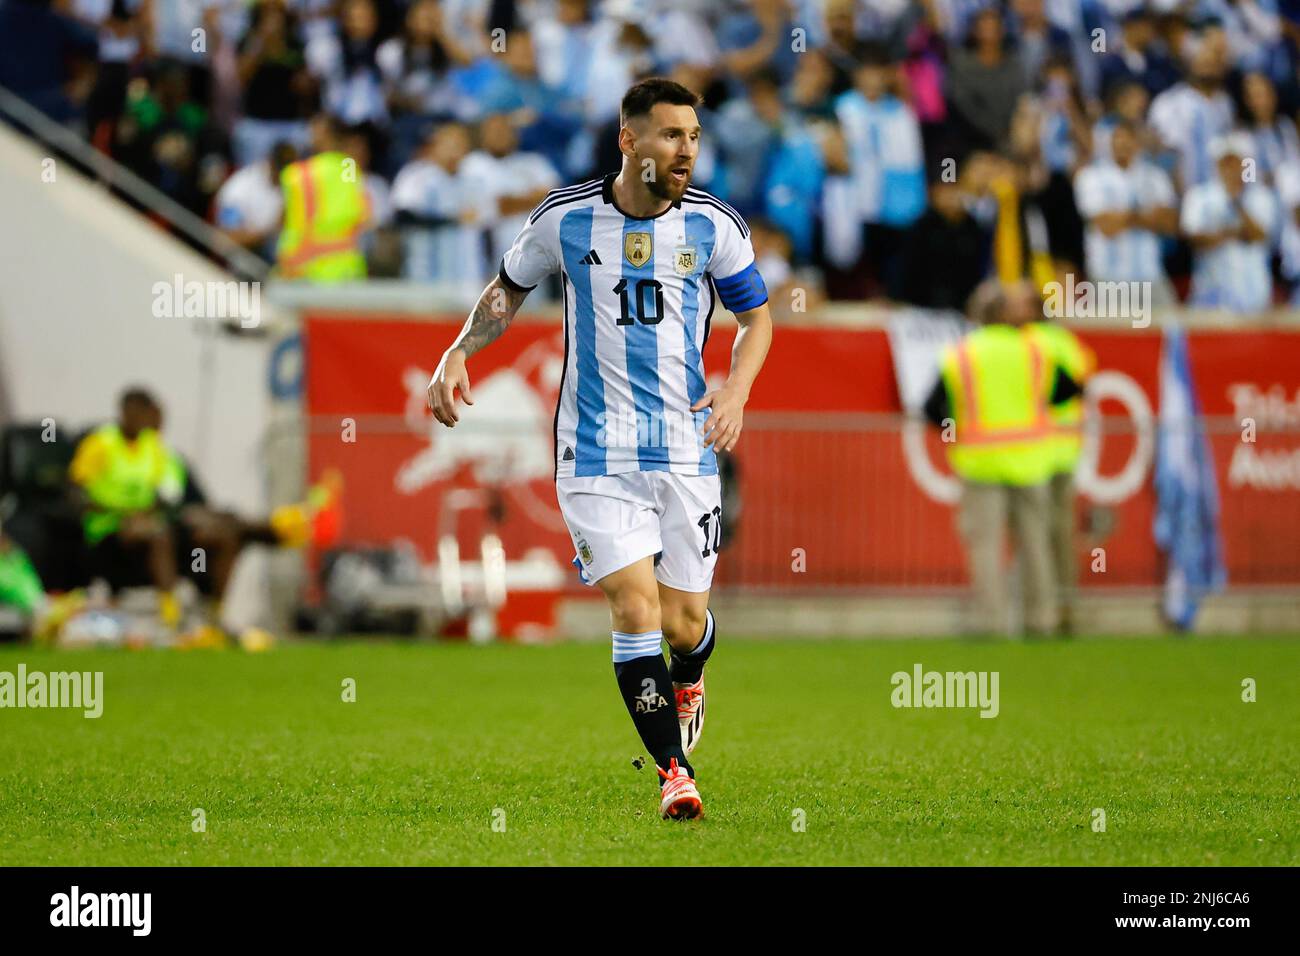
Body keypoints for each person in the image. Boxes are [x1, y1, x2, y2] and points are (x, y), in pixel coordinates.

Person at [427, 78, 773, 821]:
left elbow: (758, 319)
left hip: (685, 450)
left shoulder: (715, 226)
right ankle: (674, 774)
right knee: (633, 608)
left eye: (694, 138)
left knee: (683, 627)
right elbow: (507, 291)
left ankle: (692, 672)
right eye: (672, 136)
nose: (686, 152)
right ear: (629, 140)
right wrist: (459, 350)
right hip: (593, 454)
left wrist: (738, 389)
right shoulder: (566, 218)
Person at [922, 280, 1082, 637]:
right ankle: (1042, 619)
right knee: (1036, 544)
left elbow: (932, 407)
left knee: (986, 547)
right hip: (1030, 460)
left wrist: (956, 427)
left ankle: (990, 623)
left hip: (980, 461)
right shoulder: (1036, 351)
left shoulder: (962, 353)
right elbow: (1070, 390)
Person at [67, 387, 182, 628]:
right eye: (135, 413)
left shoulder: (152, 445)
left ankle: (173, 613)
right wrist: (116, 511)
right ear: (123, 412)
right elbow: (75, 492)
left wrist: (149, 510)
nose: (139, 420)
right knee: (154, 533)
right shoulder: (100, 442)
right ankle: (171, 617)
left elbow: (168, 491)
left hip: (143, 523)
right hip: (105, 527)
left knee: (164, 532)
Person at [1024, 315, 1095, 635]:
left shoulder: (1028, 343)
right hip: (1065, 448)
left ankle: (1040, 611)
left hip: (1032, 450)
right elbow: (1081, 383)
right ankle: (1066, 608)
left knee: (1033, 534)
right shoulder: (1068, 342)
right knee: (1061, 534)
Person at [1181, 133, 1278, 312]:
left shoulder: (1261, 196)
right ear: (1216, 165)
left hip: (1254, 293)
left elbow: (1259, 236)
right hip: (1210, 293)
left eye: (1236, 163)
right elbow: (1193, 240)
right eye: (1225, 163)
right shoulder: (1199, 196)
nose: (1230, 169)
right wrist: (1231, 233)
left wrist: (1236, 201)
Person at [275, 115, 372, 281]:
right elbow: (363, 214)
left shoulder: (297, 174)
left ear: (323, 133)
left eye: (313, 130)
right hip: (346, 268)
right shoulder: (348, 167)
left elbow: (285, 220)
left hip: (303, 269)